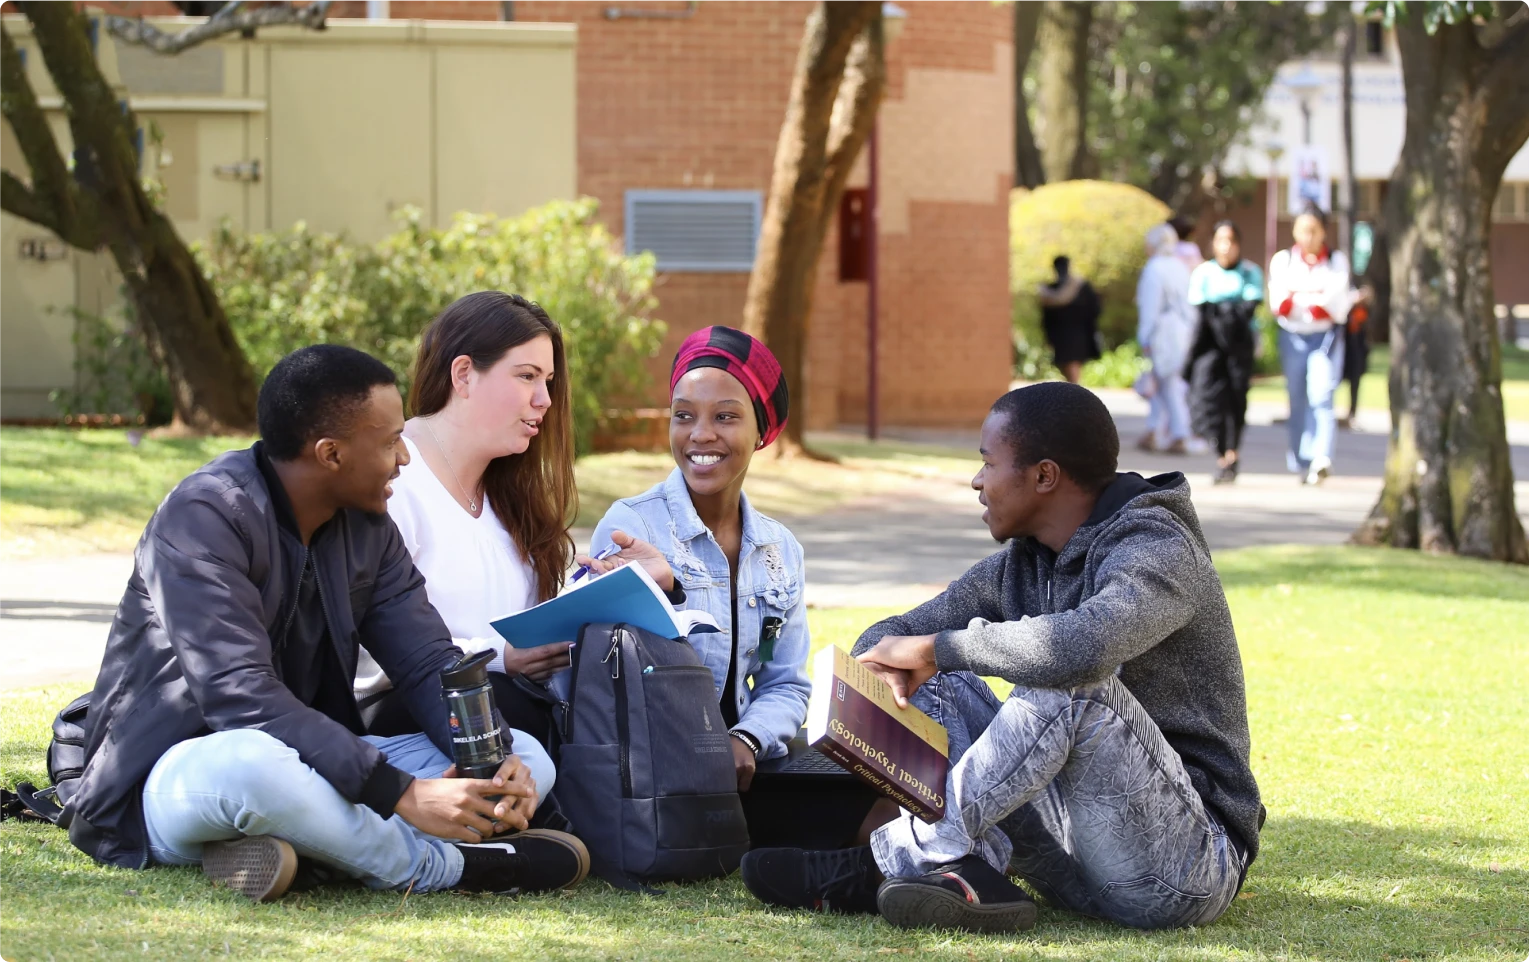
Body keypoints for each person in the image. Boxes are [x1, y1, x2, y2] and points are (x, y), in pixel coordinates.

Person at [59, 345, 589, 901]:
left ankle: (309, 845)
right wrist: (401, 794)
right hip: (182, 773)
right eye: (389, 443)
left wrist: (492, 757)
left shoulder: (369, 527)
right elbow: (241, 698)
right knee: (254, 767)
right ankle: (448, 869)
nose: (404, 458)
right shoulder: (205, 516)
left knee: (527, 753)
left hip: (318, 763)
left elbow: (428, 660)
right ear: (331, 453)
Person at [740, 382, 1262, 935]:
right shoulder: (1026, 563)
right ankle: (966, 874)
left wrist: (936, 649)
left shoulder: (1159, 548)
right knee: (935, 682)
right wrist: (898, 663)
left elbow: (1083, 648)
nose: (977, 480)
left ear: (1043, 475)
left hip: (1182, 867)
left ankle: (890, 861)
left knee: (1072, 685)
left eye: (988, 463)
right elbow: (898, 632)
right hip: (1069, 857)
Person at [583, 326, 891, 850]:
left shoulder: (779, 548)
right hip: (654, 774)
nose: (700, 435)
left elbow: (787, 683)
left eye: (725, 416)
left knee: (872, 795)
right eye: (684, 416)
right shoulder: (632, 524)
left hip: (745, 764)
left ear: (762, 431)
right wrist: (667, 589)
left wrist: (745, 740)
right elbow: (595, 675)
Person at [352, 291, 668, 771]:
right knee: (517, 713)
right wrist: (500, 656)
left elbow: (514, 622)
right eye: (526, 377)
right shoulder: (396, 480)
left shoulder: (508, 490)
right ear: (463, 375)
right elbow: (367, 645)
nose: (544, 400)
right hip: (409, 715)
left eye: (548, 381)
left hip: (510, 712)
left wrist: (610, 587)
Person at [1268, 203, 1351, 484]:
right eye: (1303, 230)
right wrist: (1311, 297)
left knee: (1322, 394)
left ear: (1324, 231)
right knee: (1297, 396)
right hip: (1292, 336)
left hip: (1324, 337)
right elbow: (1280, 302)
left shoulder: (1336, 261)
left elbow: (1333, 303)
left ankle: (1321, 457)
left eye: (1314, 230)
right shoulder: (1283, 260)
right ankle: (1301, 458)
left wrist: (1301, 296)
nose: (1308, 237)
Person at [1187, 221, 1264, 484]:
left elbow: (1248, 308)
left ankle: (1231, 454)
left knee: (1236, 399)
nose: (1226, 247)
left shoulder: (1250, 272)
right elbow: (1201, 311)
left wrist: (1224, 311)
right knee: (1209, 399)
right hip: (1210, 346)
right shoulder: (1203, 273)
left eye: (1231, 241)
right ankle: (1219, 448)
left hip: (1239, 346)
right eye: (1221, 240)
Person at [1136, 224, 1198, 454]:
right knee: (1166, 385)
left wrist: (1145, 336)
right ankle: (1158, 430)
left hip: (1163, 332)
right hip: (1181, 331)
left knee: (1167, 385)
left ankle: (1177, 432)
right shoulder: (1179, 266)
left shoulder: (1155, 269)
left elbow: (1150, 308)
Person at [1036, 255, 1102, 384]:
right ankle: (1073, 391)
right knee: (1065, 366)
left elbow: (1094, 310)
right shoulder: (1050, 290)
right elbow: (1046, 317)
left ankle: (1074, 393)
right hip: (1061, 335)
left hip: (1076, 334)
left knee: (1072, 366)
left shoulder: (1080, 287)